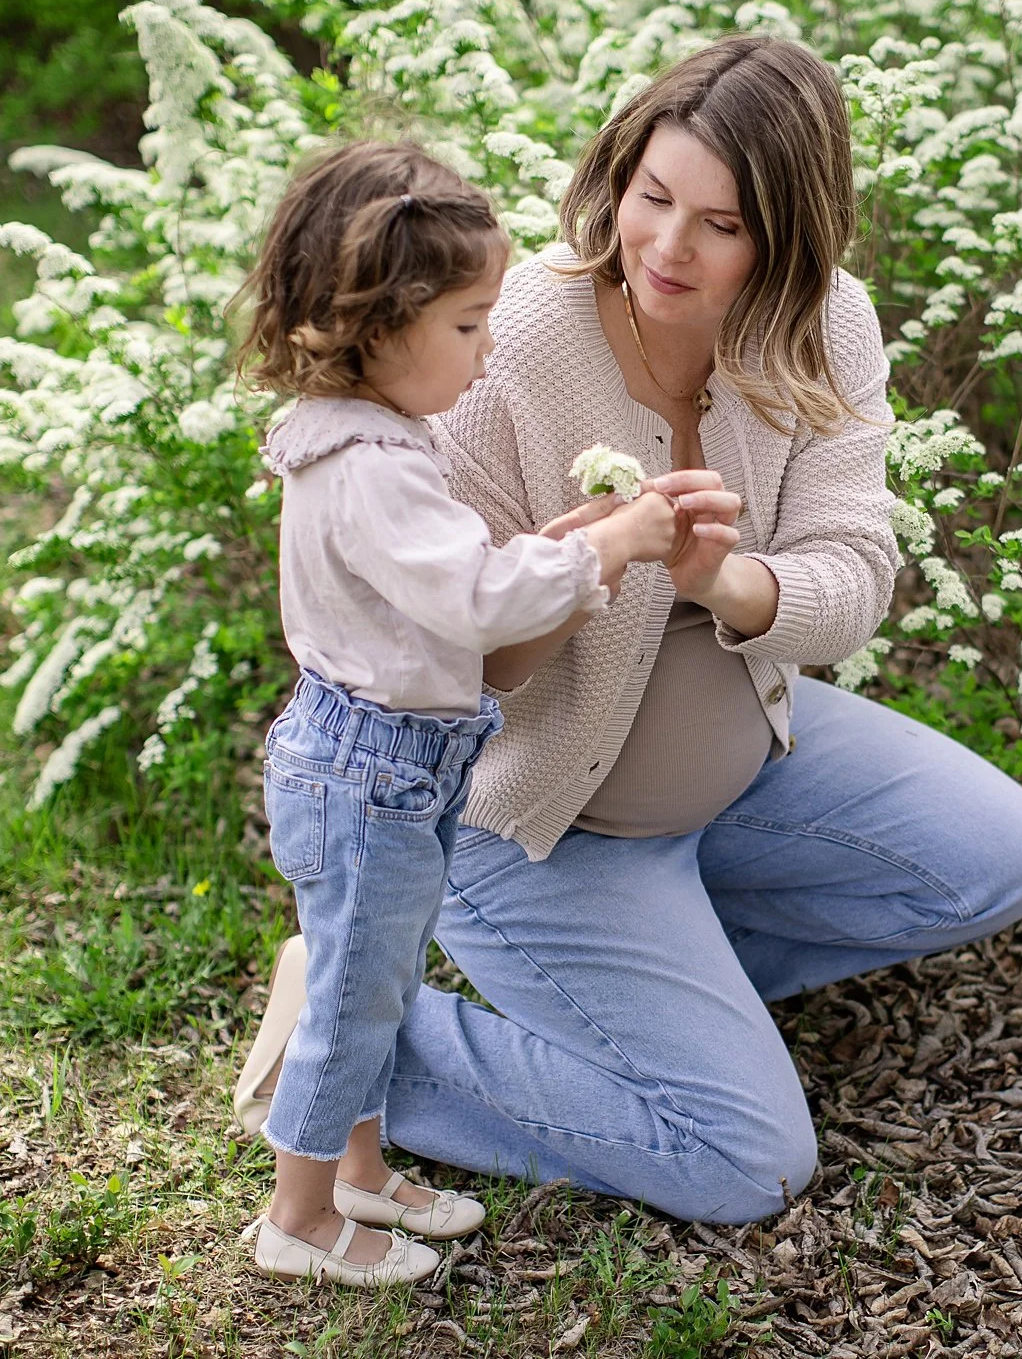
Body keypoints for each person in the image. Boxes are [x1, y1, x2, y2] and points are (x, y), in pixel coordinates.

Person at [235, 36, 1022, 1226]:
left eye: (720, 225)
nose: (668, 247)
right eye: (653, 199)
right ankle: (360, 1035)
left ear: (783, 239)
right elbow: (452, 661)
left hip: (740, 772)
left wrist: (729, 585)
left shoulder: (824, 327)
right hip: (537, 820)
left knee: (999, 857)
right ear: (617, 178)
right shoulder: (506, 340)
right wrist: (573, 568)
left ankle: (666, 995)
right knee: (745, 1164)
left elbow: (852, 577)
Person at [228, 139, 682, 1286]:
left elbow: (454, 575)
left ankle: (359, 1174)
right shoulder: (368, 465)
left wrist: (563, 548)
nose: (486, 355)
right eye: (469, 327)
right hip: (370, 772)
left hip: (396, 765)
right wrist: (609, 549)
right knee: (352, 994)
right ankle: (300, 1219)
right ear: (379, 327)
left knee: (379, 982)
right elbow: (472, 597)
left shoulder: (377, 438)